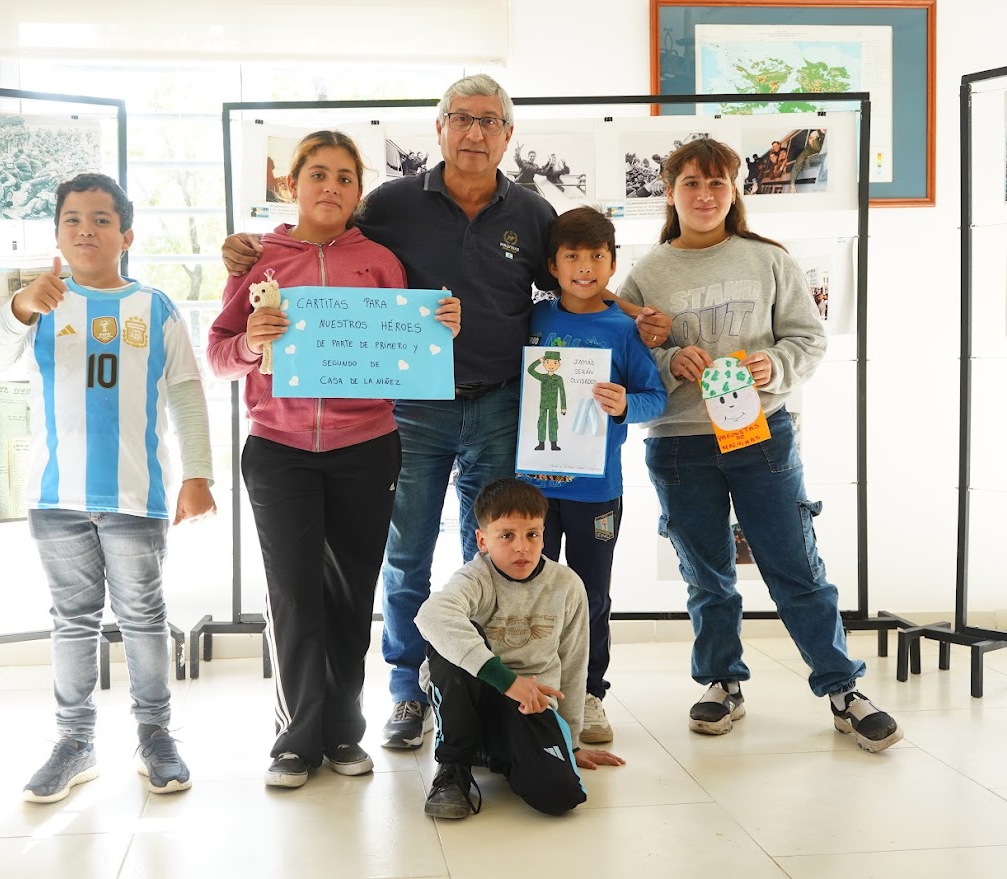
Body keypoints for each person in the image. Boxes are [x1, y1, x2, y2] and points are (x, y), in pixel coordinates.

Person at [222, 75, 672, 751]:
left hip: (500, 402)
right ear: (438, 129)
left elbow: (578, 280)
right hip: (410, 410)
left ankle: (479, 693)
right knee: (404, 557)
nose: (474, 132)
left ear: (507, 135)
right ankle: (407, 691)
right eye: (461, 118)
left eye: (489, 121)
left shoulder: (531, 211)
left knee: (486, 557)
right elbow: (327, 241)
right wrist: (252, 248)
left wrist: (635, 314)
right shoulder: (391, 204)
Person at [617, 138, 904, 754]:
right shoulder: (645, 274)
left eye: (718, 183)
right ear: (670, 191)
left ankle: (843, 689)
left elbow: (808, 338)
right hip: (679, 441)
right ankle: (722, 681)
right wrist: (669, 359)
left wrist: (775, 366)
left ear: (735, 191)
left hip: (761, 436)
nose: (704, 195)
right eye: (691, 183)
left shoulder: (768, 261)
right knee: (708, 576)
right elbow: (629, 357)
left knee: (795, 567)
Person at [208, 130, 460, 789]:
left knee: (351, 595)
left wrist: (437, 334)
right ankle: (295, 740)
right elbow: (217, 351)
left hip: (366, 447)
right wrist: (248, 343)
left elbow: (404, 355)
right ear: (292, 185)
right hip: (278, 450)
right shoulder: (259, 259)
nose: (331, 186)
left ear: (358, 191)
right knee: (293, 597)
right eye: (317, 173)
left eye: (345, 177)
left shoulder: (378, 259)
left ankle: (344, 732)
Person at [0, 173, 216, 802]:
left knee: (143, 619)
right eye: (73, 219)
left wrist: (197, 475)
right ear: (57, 232)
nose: (86, 228)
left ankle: (155, 735)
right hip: (56, 501)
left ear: (126, 235)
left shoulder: (156, 307)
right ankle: (74, 743)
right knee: (73, 622)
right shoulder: (40, 303)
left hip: (138, 498)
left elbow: (188, 393)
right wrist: (20, 307)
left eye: (102, 219)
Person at [521, 206, 668, 745]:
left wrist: (626, 402)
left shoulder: (624, 331)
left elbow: (655, 398)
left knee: (590, 596)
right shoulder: (532, 320)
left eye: (596, 256)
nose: (585, 267)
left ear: (612, 262)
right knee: (531, 591)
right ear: (552, 266)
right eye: (572, 257)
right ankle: (536, 687)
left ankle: (592, 693)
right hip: (533, 489)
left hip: (596, 490)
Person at [415, 478, 624, 819]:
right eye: (506, 535)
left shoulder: (567, 585)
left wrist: (568, 741)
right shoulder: (475, 577)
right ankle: (454, 765)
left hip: (529, 703)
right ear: (482, 540)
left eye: (533, 534)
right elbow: (431, 614)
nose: (522, 547)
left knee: (560, 796)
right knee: (450, 642)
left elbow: (572, 665)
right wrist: (507, 681)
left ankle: (491, 748)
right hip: (474, 695)